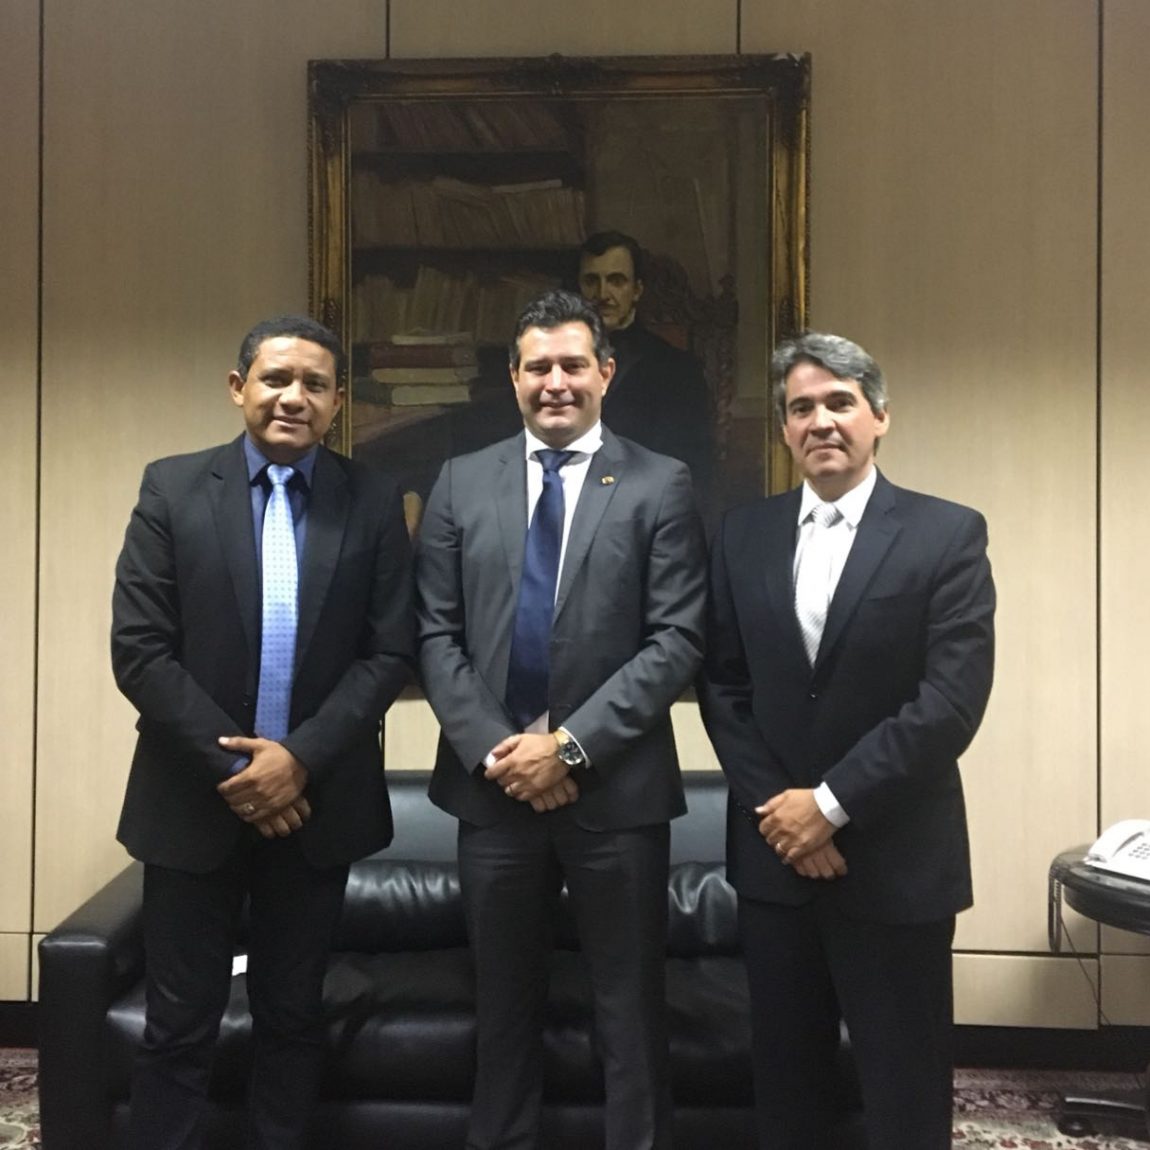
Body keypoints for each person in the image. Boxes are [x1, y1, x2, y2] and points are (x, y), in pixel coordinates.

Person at [111, 314, 415, 1149]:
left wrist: (298, 762)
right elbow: (140, 651)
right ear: (237, 387)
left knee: (292, 1016)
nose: (293, 397)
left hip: (315, 809)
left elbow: (390, 652)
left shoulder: (373, 499)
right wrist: (244, 774)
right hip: (191, 801)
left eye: (315, 384)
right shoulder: (172, 489)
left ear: (339, 402)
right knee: (178, 1023)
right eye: (276, 379)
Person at [416, 289, 707, 1150]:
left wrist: (570, 749)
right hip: (493, 791)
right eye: (537, 366)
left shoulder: (660, 482)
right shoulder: (461, 482)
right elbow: (433, 633)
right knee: (502, 1011)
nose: (556, 382)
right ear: (513, 378)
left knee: (630, 1015)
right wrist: (499, 752)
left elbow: (677, 638)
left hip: (616, 794)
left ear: (605, 373)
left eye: (573, 364)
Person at [698, 332, 995, 1149]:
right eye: (801, 408)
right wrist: (784, 813)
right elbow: (723, 688)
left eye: (840, 402)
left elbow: (950, 703)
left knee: (904, 1095)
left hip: (895, 862)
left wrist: (829, 806)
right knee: (787, 1092)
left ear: (880, 417)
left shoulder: (946, 534)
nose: (820, 421)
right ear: (784, 429)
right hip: (776, 865)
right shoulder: (742, 535)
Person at [577, 231, 714, 505]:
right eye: (592, 281)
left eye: (616, 281)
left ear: (637, 290)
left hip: (643, 510)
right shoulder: (554, 364)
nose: (602, 294)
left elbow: (687, 469)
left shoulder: (678, 370)